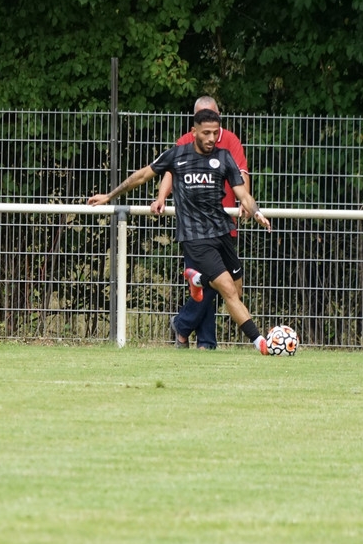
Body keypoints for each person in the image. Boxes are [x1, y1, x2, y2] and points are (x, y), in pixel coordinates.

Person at [89, 108, 273, 354]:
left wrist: (256, 212)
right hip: (195, 237)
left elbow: (243, 195)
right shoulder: (177, 155)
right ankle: (261, 343)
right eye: (206, 133)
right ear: (194, 131)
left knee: (236, 291)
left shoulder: (224, 157)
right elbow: (142, 176)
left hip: (222, 232)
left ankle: (198, 280)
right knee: (227, 289)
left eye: (215, 133)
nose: (211, 138)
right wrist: (110, 196)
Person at [150, 96, 249, 349]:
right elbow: (170, 171)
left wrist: (245, 202)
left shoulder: (230, 140)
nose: (210, 134)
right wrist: (161, 197)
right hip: (194, 227)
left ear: (218, 116)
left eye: (212, 115)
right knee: (213, 281)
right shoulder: (186, 140)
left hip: (222, 224)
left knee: (215, 283)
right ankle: (204, 341)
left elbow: (242, 174)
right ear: (195, 122)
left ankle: (184, 327)